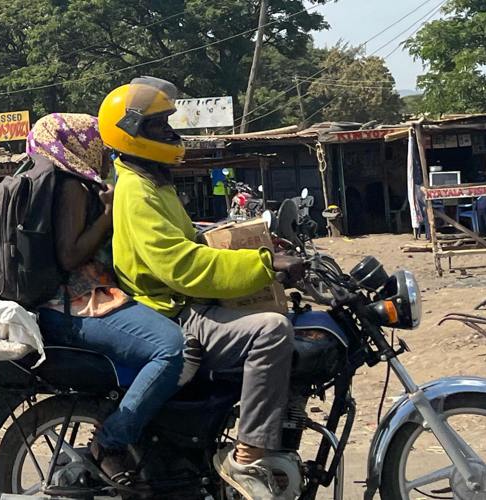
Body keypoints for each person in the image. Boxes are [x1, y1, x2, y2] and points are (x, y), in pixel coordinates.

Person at [99, 76, 305, 499]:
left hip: (185, 301)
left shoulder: (152, 180)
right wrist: (264, 265)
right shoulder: (137, 190)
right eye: (159, 127)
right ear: (132, 132)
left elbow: (190, 238)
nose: (172, 135)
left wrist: (256, 241)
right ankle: (245, 457)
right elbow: (182, 264)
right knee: (271, 331)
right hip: (173, 308)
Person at [27, 112, 186, 483]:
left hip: (79, 299)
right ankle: (112, 441)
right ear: (79, 145)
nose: (104, 152)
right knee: (170, 347)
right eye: (96, 143)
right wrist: (110, 212)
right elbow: (70, 255)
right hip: (74, 305)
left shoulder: (57, 182)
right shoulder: (70, 186)